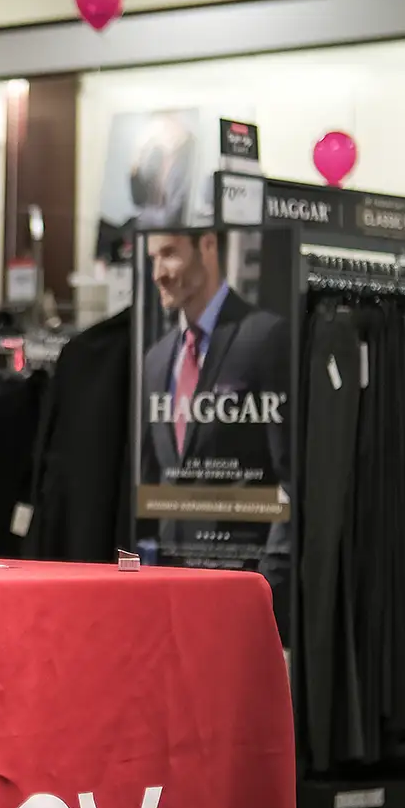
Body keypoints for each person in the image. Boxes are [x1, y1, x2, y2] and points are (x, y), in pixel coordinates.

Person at [138, 231, 291, 620]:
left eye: (169, 254)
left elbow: (290, 477)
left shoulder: (265, 337)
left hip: (242, 588)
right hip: (169, 596)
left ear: (207, 247)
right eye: (152, 258)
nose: (157, 273)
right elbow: (154, 481)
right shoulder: (156, 361)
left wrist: (266, 586)